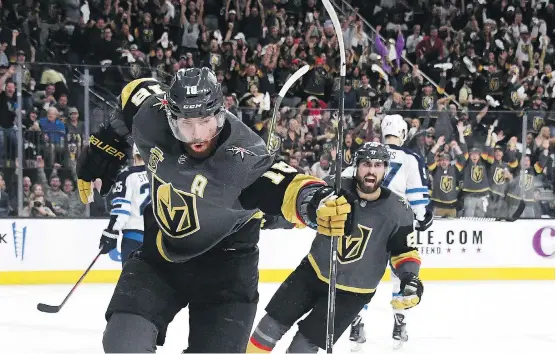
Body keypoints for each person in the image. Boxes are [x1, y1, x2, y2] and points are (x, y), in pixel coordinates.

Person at [76, 67, 352, 353]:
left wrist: (318, 202)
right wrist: (106, 143)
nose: (197, 135)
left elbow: (286, 185)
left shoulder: (243, 156)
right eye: (186, 124)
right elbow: (135, 91)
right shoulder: (152, 116)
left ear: (221, 112)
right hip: (160, 258)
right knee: (123, 344)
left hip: (227, 272)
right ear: (169, 114)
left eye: (206, 122)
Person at [247, 142, 424, 353]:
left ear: (386, 169)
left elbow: (404, 251)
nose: (371, 170)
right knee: (269, 326)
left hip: (353, 293)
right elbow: (303, 212)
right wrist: (270, 218)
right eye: (366, 163)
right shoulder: (334, 187)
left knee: (303, 345)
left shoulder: (399, 210)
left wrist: (409, 277)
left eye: (378, 165)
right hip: (311, 273)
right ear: (356, 166)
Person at [343, 114, 432, 350]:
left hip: (364, 222)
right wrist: (423, 218)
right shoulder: (411, 157)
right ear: (402, 133)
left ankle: (356, 325)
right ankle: (399, 324)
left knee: (360, 276)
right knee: (400, 276)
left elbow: (348, 183)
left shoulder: (368, 154)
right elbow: (417, 197)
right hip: (397, 224)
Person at [99, 144, 149, 263]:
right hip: (157, 239)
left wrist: (111, 231)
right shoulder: (159, 175)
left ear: (133, 153)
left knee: (131, 280)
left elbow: (121, 209)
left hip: (134, 239)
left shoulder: (127, 175)